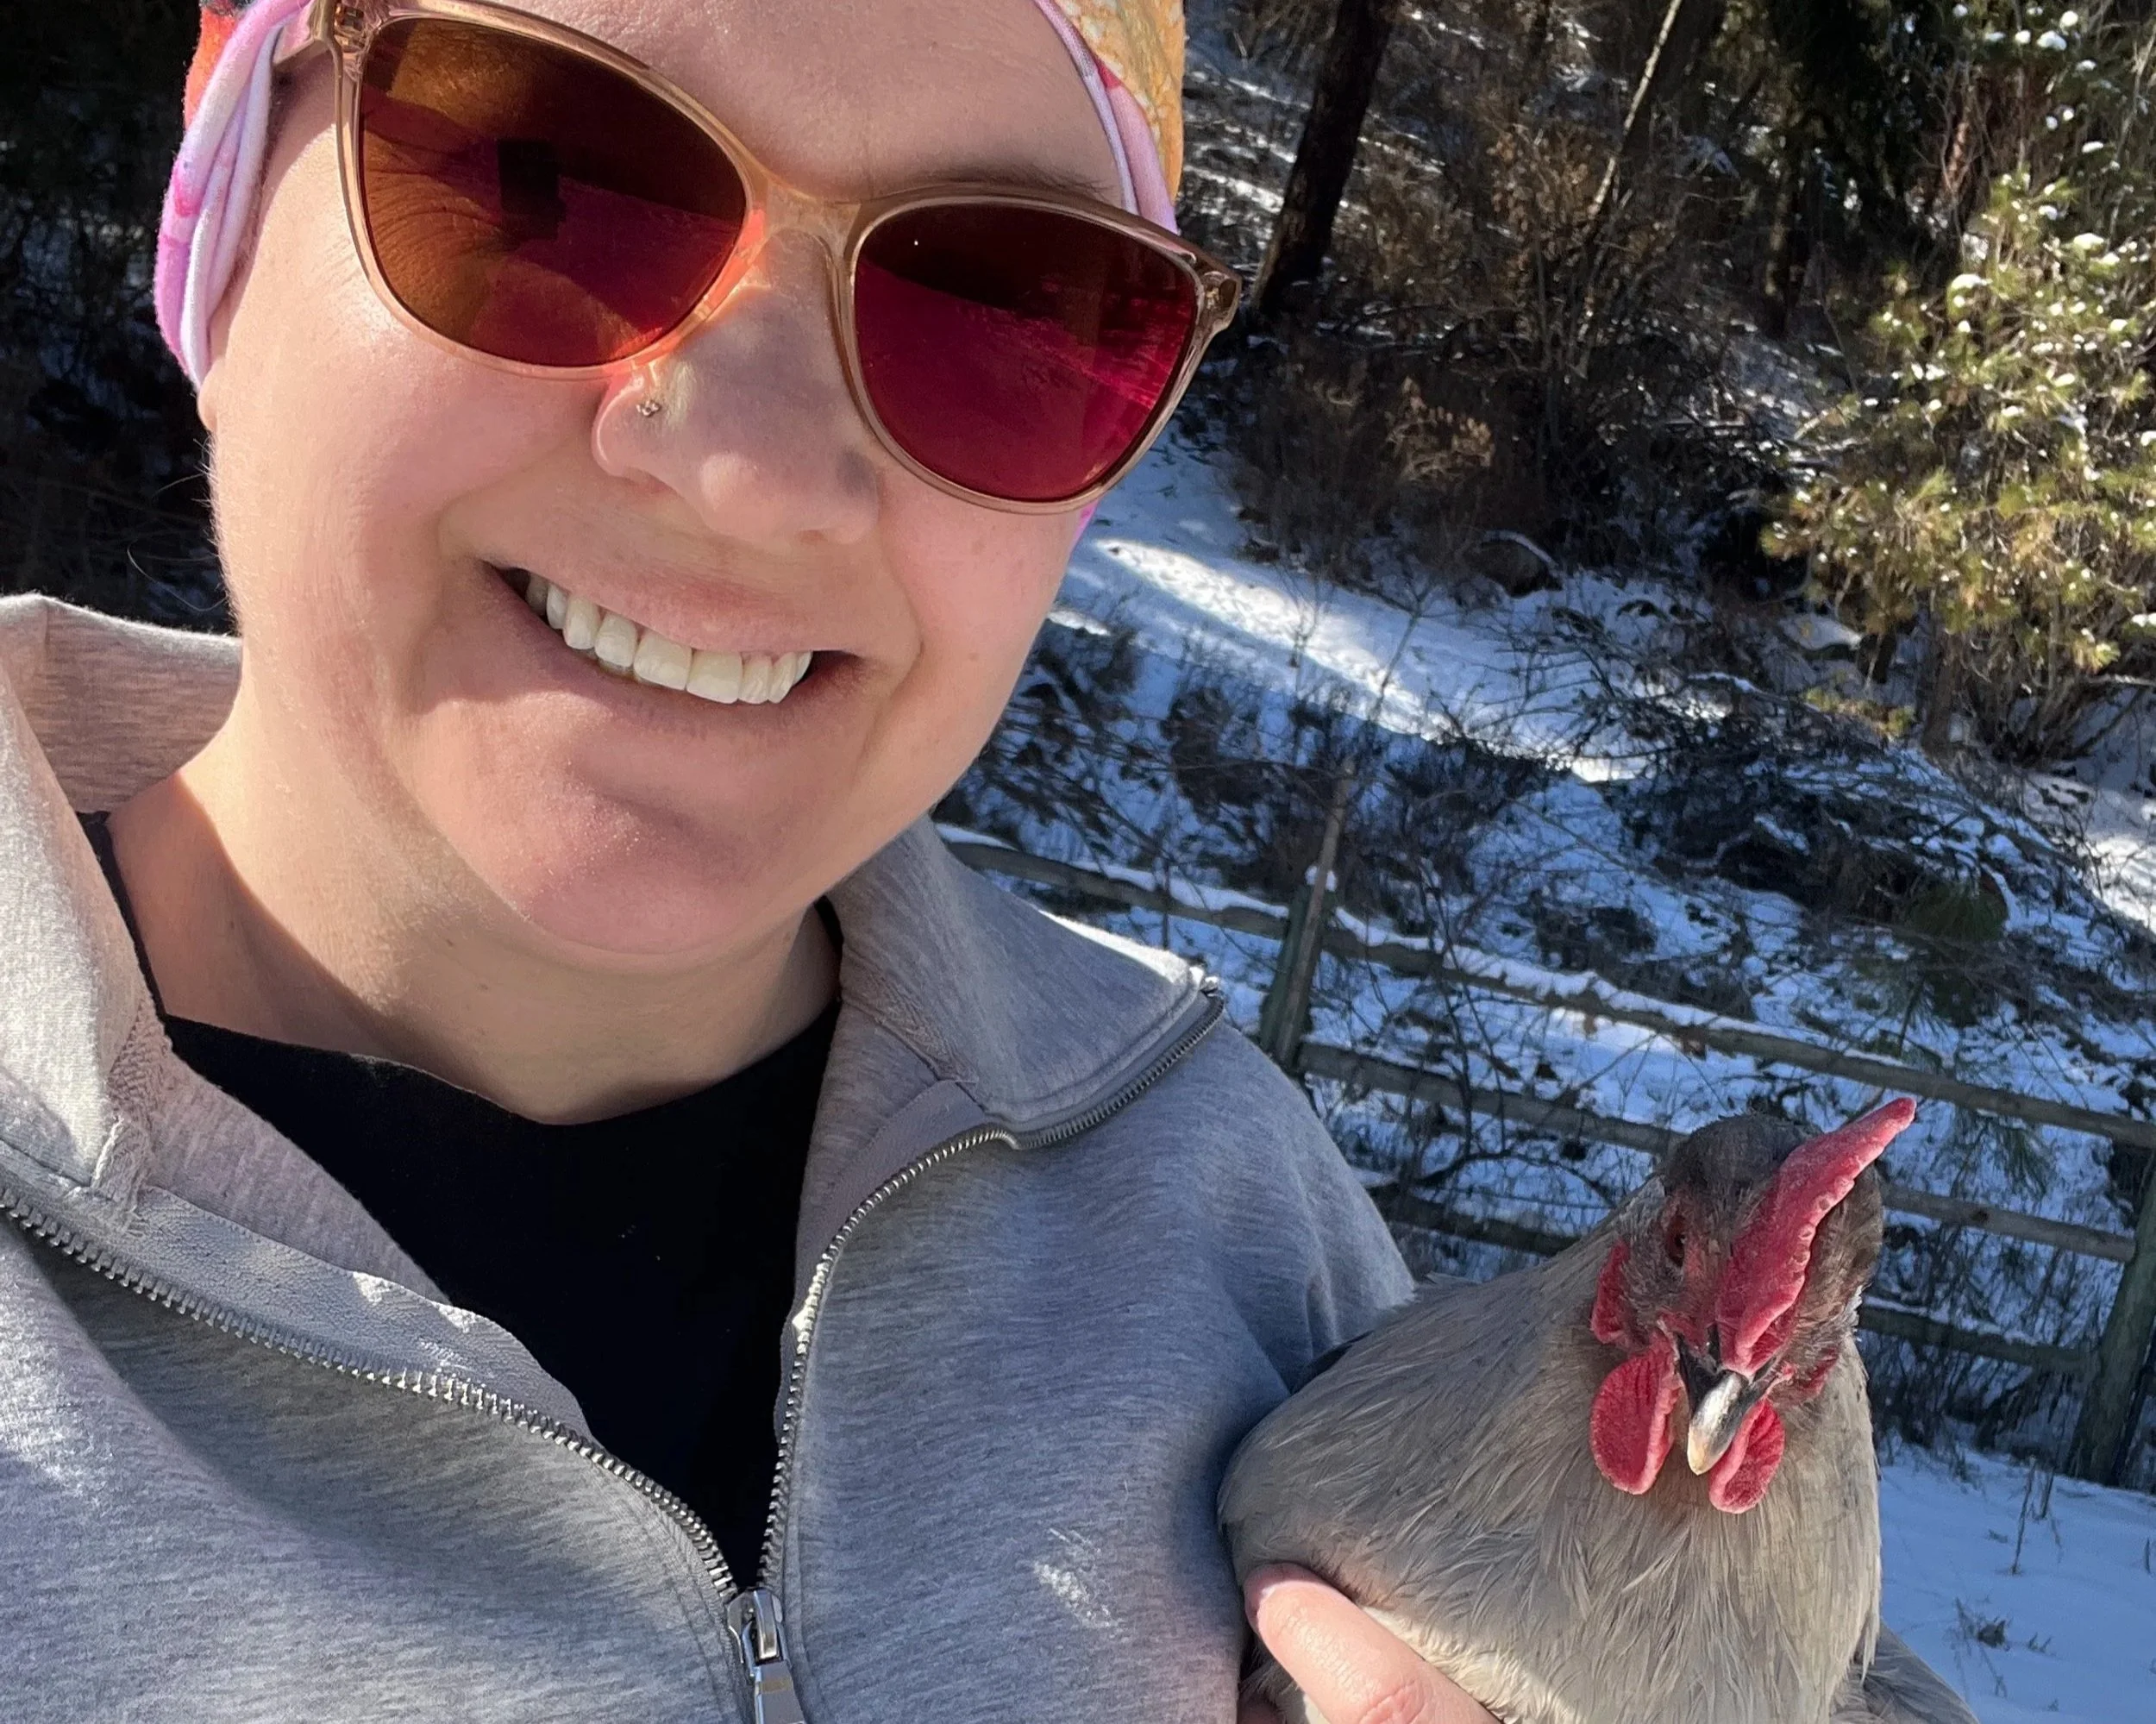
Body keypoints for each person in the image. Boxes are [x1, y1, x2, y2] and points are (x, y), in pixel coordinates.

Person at [0, 1, 1495, 1718]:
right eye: (548, 177)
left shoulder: (1231, 1215)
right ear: (223, 202)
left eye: (996, 310)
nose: (754, 467)